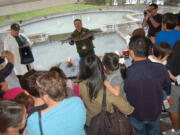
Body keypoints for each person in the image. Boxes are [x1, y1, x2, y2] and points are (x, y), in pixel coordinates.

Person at [125, 36, 170, 135]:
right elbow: (166, 85)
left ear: (131, 52)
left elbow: (125, 91)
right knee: (153, 132)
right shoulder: (161, 68)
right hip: (155, 111)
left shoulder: (127, 73)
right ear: (148, 50)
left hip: (136, 113)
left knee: (138, 132)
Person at [78, 55, 134, 126]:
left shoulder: (81, 84)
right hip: (107, 123)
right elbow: (127, 109)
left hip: (91, 121)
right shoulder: (105, 90)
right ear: (100, 67)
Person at [167, 40, 180, 135]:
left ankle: (176, 130)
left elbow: (170, 64)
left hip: (175, 85)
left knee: (173, 108)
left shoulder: (178, 44)